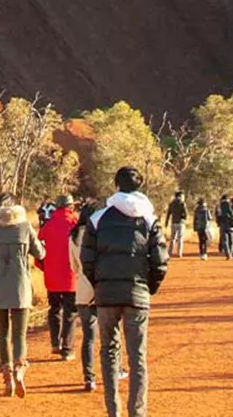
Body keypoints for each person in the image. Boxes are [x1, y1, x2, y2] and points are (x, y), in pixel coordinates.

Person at [81, 167, 169, 417]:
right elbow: (160, 261)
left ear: (116, 185)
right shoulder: (150, 219)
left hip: (106, 296)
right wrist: (148, 288)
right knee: (137, 356)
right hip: (137, 295)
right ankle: (137, 413)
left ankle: (113, 412)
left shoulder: (98, 219)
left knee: (109, 352)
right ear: (139, 186)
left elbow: (86, 258)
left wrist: (98, 284)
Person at [0, 192, 45, 397]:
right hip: (20, 285)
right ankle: (20, 369)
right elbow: (40, 253)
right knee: (19, 334)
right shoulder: (24, 226)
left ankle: (7, 374)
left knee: (3, 334)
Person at [38, 194, 78, 359]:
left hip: (52, 277)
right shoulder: (74, 224)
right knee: (70, 311)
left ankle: (55, 343)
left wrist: (45, 268)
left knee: (54, 308)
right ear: (71, 207)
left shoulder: (47, 226)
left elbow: (38, 251)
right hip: (71, 276)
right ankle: (67, 349)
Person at [68, 201, 98, 392]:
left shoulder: (72, 237)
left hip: (82, 291)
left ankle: (89, 378)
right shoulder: (99, 234)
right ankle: (117, 369)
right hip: (101, 289)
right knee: (112, 334)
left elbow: (73, 267)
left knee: (88, 336)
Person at [165, 191, 189, 258]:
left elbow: (168, 214)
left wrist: (166, 222)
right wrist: (184, 218)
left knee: (172, 238)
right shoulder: (182, 203)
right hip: (181, 223)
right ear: (180, 196)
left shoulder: (171, 203)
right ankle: (179, 253)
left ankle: (170, 252)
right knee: (180, 238)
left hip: (173, 222)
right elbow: (186, 213)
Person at [216, 194, 233, 260]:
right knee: (231, 240)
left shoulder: (218, 206)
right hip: (230, 224)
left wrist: (218, 223)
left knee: (225, 240)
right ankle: (230, 252)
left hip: (222, 224)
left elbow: (217, 215)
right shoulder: (231, 205)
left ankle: (228, 254)